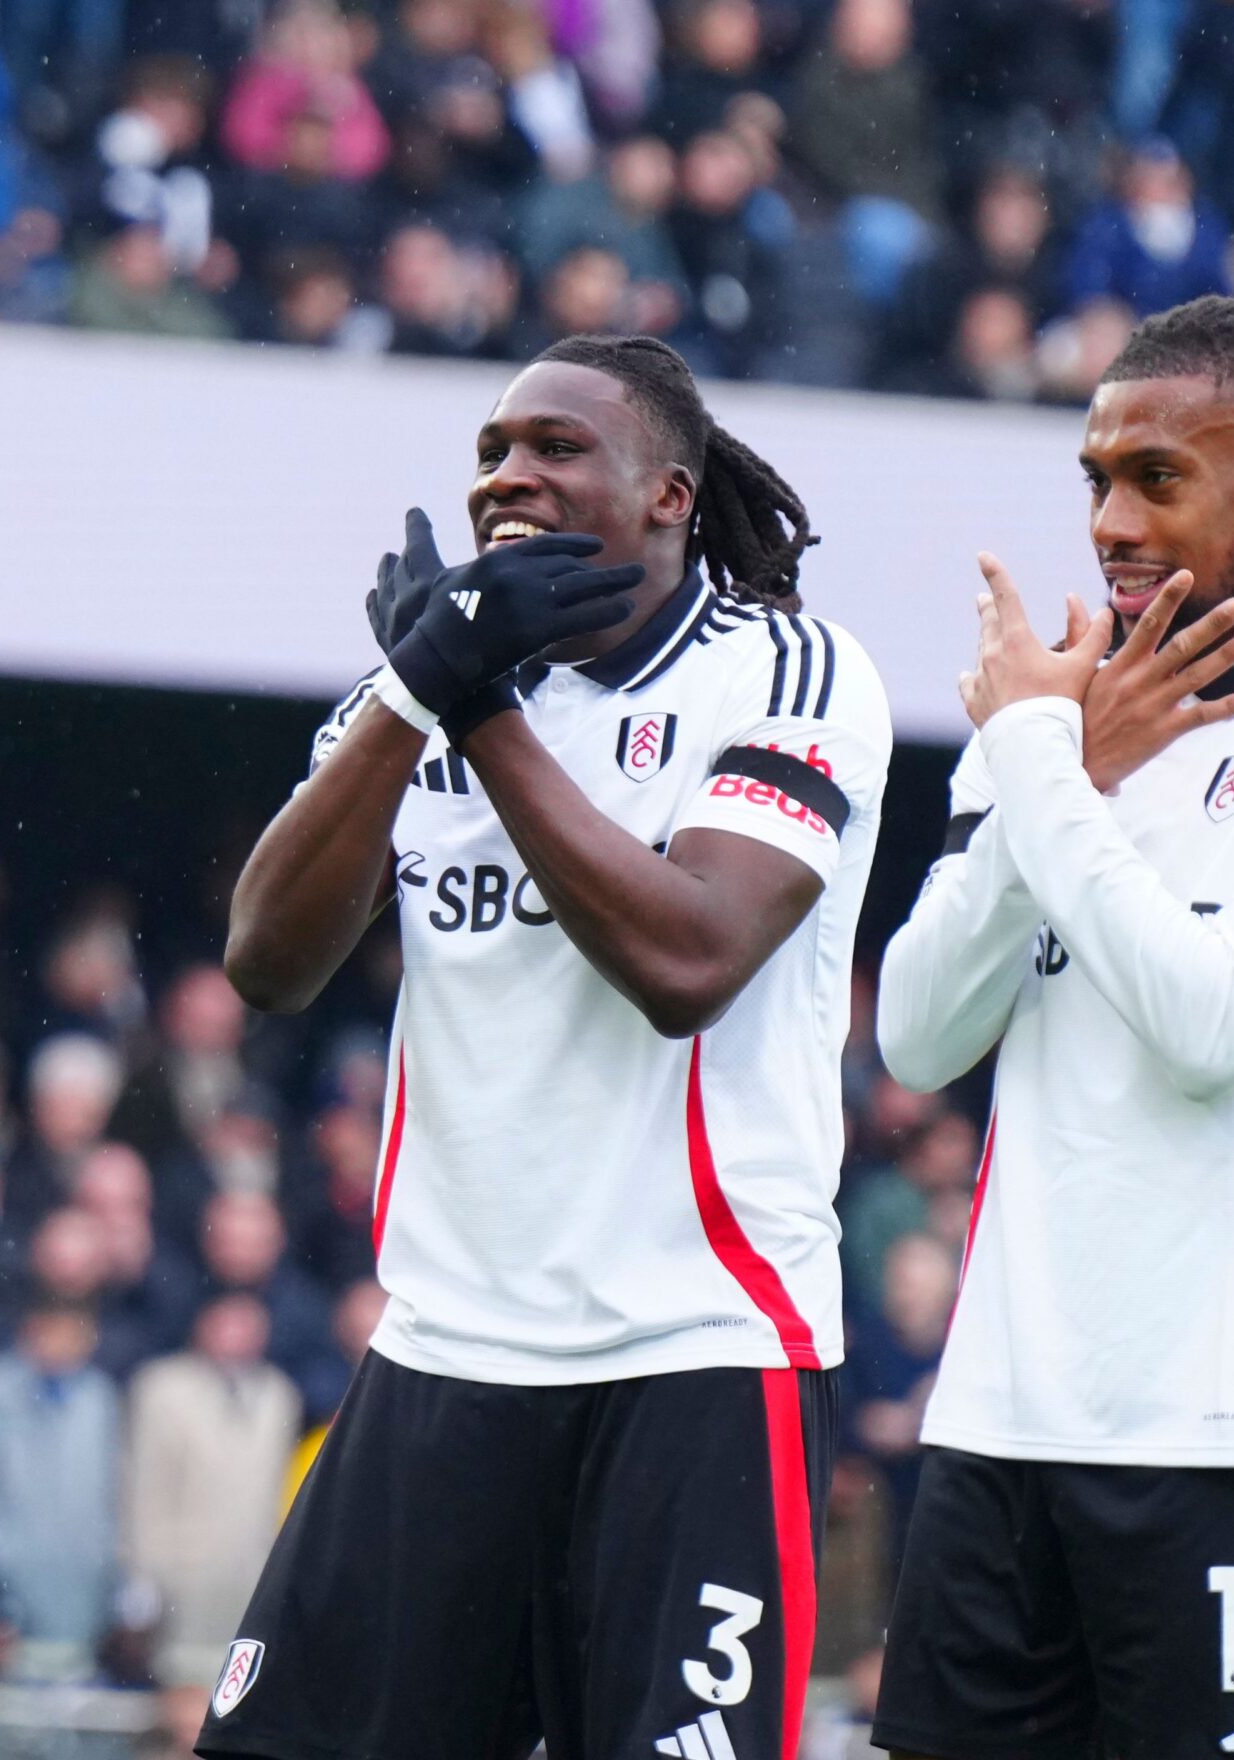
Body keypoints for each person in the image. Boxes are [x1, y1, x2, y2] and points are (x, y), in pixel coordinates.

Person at [205, 333, 891, 1760]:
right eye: (492, 452)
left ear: (669, 495)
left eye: (557, 447)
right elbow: (267, 961)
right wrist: (409, 698)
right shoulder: (415, 698)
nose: (508, 476)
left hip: (694, 1354)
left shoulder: (792, 677)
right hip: (449, 1345)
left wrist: (477, 705)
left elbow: (687, 960)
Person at [872, 293, 1234, 1760]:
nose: (1113, 523)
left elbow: (1217, 1023)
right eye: (1095, 481)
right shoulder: (1063, 721)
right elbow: (917, 1035)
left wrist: (1040, 764)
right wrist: (1054, 766)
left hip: (1232, 1437)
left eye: (1157, 477)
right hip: (998, 1428)